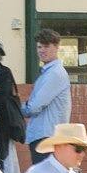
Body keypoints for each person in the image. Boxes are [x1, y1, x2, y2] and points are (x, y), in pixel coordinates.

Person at [22, 28, 71, 165]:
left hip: (48, 137)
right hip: (47, 136)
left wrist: (14, 106)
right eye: (39, 46)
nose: (42, 50)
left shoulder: (54, 73)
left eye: (46, 46)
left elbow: (34, 107)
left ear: (56, 47)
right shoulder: (49, 72)